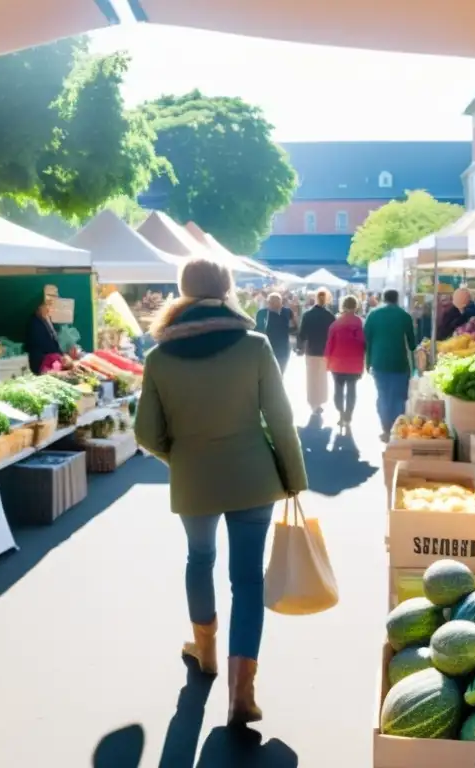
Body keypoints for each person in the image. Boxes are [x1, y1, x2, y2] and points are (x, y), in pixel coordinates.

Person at [134, 256, 308, 726]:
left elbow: (146, 433)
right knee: (247, 580)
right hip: (255, 477)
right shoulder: (254, 345)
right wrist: (293, 477)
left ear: (182, 291)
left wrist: (183, 457)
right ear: (228, 288)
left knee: (199, 560)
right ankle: (241, 694)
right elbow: (281, 417)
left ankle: (205, 653)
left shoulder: (158, 356)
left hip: (194, 479)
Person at [364, 289, 416, 439]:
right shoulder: (404, 316)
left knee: (383, 395)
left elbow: (366, 339)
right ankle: (397, 428)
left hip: (379, 362)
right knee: (399, 396)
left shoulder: (373, 315)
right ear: (397, 299)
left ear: (383, 298)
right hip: (399, 362)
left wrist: (367, 363)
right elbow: (412, 343)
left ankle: (386, 427)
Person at [324, 295, 366, 428]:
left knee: (338, 389)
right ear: (356, 306)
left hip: (337, 362)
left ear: (343, 306)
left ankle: (340, 413)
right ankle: (348, 415)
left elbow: (329, 344)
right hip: (355, 362)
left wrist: (327, 361)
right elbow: (364, 343)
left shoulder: (335, 324)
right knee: (352, 390)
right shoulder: (360, 323)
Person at [297, 287, 336, 413]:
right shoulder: (330, 316)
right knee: (322, 378)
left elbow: (302, 333)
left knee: (311, 377)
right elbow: (334, 335)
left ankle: (313, 402)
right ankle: (320, 401)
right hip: (325, 351)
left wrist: (299, 347)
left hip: (311, 350)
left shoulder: (307, 315)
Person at [255, 292, 294, 372]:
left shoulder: (263, 313)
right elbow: (295, 328)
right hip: (275, 349)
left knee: (272, 374)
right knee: (277, 374)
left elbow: (258, 330)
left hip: (273, 349)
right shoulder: (287, 312)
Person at [26, 299, 63, 374]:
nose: (49, 309)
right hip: (40, 362)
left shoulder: (46, 320)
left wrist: (61, 355)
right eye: (46, 306)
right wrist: (59, 356)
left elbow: (54, 340)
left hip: (51, 360)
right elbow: (44, 344)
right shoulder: (34, 324)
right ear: (39, 308)